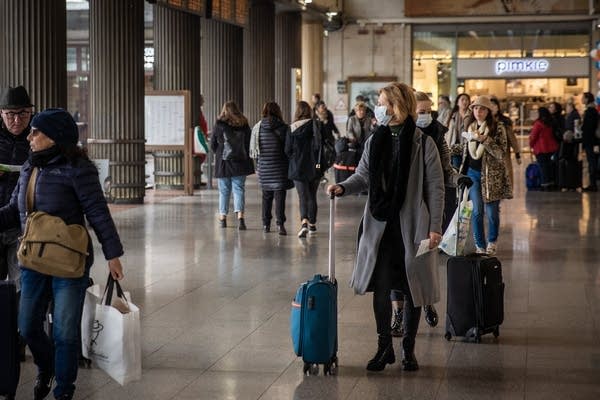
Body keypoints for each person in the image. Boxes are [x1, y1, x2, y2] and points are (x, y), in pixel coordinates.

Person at [0, 108, 124, 400]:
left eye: (37, 132)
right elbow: (13, 211)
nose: (30, 136)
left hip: (69, 264)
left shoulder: (78, 169)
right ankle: (47, 367)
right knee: (28, 325)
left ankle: (63, 392)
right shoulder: (31, 167)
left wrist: (113, 254)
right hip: (32, 260)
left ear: (55, 137)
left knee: (65, 333)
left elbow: (97, 213)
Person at [327, 83, 444, 372]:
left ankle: (408, 348)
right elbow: (363, 175)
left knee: (411, 287)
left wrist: (436, 227)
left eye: (386, 103)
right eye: (379, 103)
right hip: (380, 226)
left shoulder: (422, 142)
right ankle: (384, 348)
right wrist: (342, 187)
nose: (381, 108)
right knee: (381, 289)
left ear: (400, 106)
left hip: (412, 226)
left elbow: (436, 187)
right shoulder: (374, 140)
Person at [389, 91, 471, 338]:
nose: (423, 116)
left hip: (428, 207)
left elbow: (446, 170)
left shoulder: (437, 135)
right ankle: (398, 314)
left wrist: (458, 178)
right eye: (419, 111)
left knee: (421, 261)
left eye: (427, 111)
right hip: (399, 208)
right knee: (397, 264)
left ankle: (425, 302)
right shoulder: (394, 135)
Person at [460, 96, 512, 255]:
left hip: (492, 176)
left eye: (482, 109)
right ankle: (479, 245)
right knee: (476, 211)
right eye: (475, 108)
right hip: (472, 173)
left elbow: (501, 153)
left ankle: (492, 241)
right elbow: (465, 150)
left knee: (492, 212)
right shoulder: (470, 127)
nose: (478, 112)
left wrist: (484, 140)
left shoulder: (498, 127)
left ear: (488, 111)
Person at [286, 101, 334, 238]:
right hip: (316, 166)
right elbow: (327, 143)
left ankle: (304, 223)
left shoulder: (291, 128)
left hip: (298, 168)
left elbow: (287, 150)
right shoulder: (318, 125)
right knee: (312, 196)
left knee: (302, 197)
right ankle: (312, 224)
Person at [0, 86, 32, 287]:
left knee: (22, 286)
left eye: (23, 114)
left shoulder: (38, 139)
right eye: (10, 114)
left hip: (23, 225)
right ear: (1, 113)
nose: (17, 120)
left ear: (31, 112)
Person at [210, 101, 255, 230]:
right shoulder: (244, 124)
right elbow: (248, 144)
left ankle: (223, 218)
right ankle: (240, 218)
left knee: (224, 191)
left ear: (224, 110)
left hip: (224, 163)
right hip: (240, 162)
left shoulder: (219, 125)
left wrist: (220, 153)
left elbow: (213, 144)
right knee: (239, 189)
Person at [256, 102, 294, 235]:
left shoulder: (258, 128)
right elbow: (288, 149)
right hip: (279, 167)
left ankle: (266, 224)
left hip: (264, 168)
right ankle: (280, 224)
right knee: (280, 197)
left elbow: (255, 149)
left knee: (266, 197)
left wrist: (258, 165)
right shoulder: (284, 128)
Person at [490, 97, 521, 188]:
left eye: (494, 105)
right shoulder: (484, 121)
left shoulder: (505, 121)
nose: (492, 107)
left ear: (498, 107)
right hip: (489, 152)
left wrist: (517, 154)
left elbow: (512, 138)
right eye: (490, 105)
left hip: (503, 152)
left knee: (505, 174)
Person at [529, 107, 559, 191]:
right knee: (549, 166)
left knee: (543, 167)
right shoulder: (550, 122)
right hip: (551, 148)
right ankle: (551, 183)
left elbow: (533, 136)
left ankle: (544, 184)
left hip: (541, 148)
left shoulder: (538, 124)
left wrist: (530, 145)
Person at [446, 93, 472, 169]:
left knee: (466, 168)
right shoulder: (451, 114)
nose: (465, 102)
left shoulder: (471, 115)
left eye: (466, 100)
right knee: (456, 168)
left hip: (467, 146)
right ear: (457, 102)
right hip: (454, 146)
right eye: (462, 99)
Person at [580, 92, 598, 192]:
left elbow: (588, 127)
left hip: (590, 141)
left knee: (592, 162)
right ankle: (593, 183)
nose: (581, 99)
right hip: (592, 140)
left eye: (583, 97)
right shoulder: (593, 110)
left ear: (587, 99)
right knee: (592, 161)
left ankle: (593, 184)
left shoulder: (590, 111)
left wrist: (581, 127)